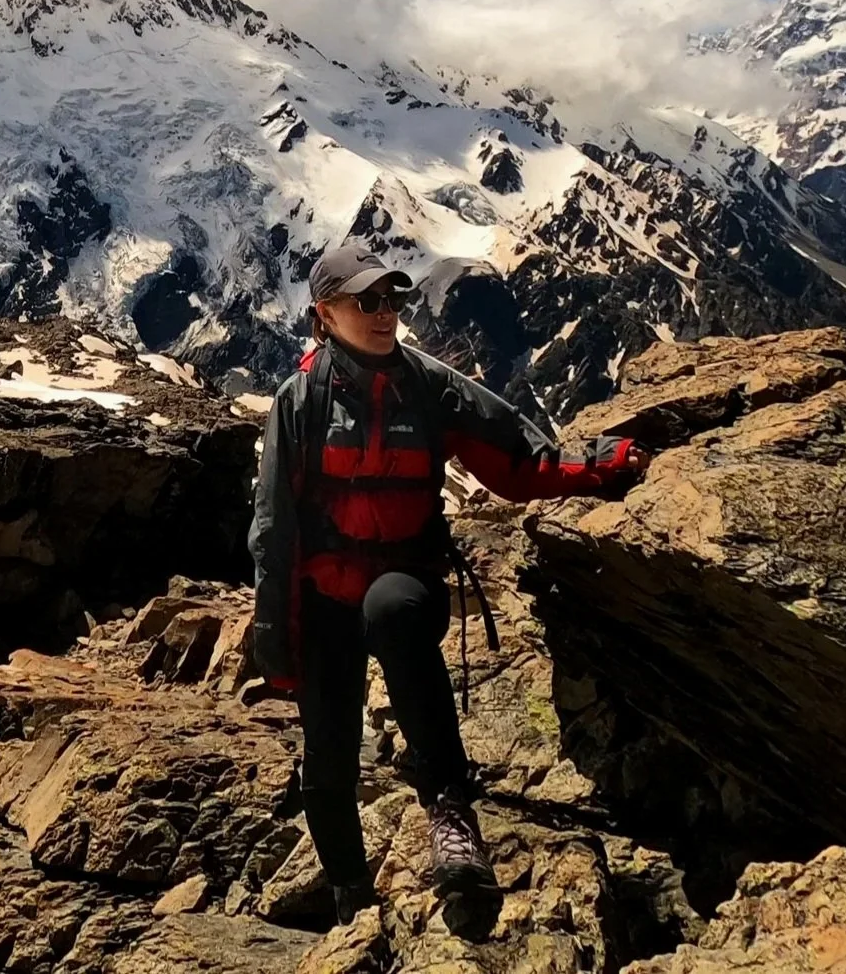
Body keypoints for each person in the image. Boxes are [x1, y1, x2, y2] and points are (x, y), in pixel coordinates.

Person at [247, 241, 646, 924]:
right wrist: (272, 638)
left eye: (392, 298)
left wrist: (602, 467)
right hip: (322, 593)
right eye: (364, 300)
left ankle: (449, 811)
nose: (383, 312)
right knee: (328, 744)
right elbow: (274, 527)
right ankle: (348, 892)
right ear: (324, 313)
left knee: (392, 611)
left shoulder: (429, 385)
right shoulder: (301, 399)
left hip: (406, 577)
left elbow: (519, 461)